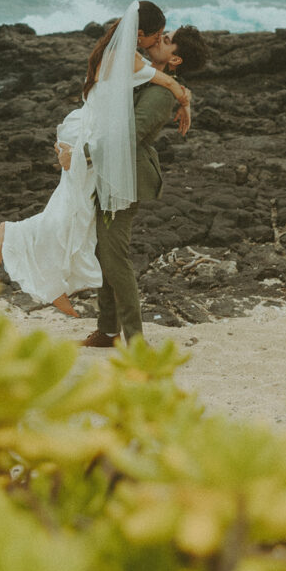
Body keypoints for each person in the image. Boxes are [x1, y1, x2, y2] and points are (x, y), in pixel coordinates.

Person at [0, 1, 191, 317]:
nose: (159, 39)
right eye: (158, 35)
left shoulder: (125, 55)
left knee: (76, 211)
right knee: (74, 210)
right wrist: (184, 99)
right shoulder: (126, 58)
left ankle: (55, 286)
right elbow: (167, 82)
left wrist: (182, 97)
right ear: (140, 34)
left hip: (87, 131)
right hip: (89, 135)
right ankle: (17, 237)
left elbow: (165, 83)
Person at [80, 23, 210, 347]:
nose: (158, 40)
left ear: (175, 60)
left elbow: (130, 135)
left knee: (114, 256)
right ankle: (107, 331)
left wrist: (82, 153)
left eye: (166, 41)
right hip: (112, 169)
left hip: (127, 177)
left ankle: (135, 342)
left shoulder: (161, 93)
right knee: (103, 250)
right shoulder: (147, 74)